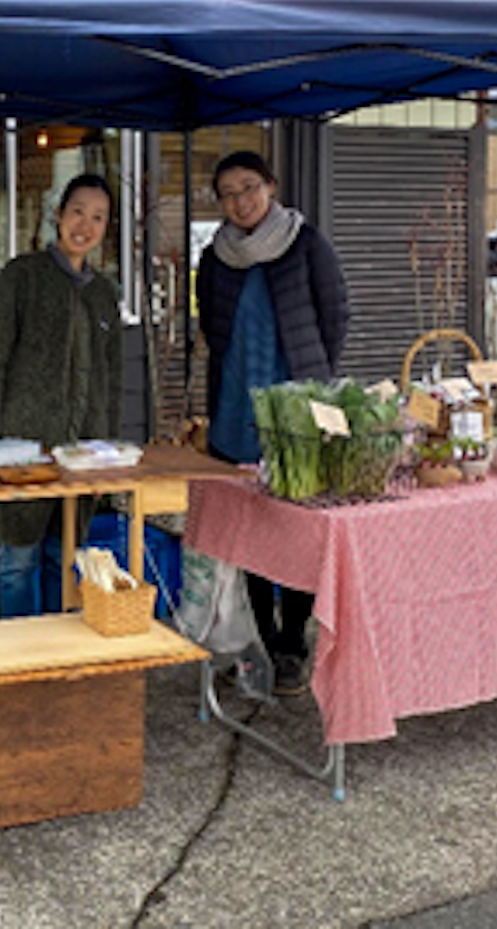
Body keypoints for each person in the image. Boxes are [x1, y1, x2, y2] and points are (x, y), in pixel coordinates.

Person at [196, 151, 349, 694]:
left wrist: (311, 384)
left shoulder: (306, 244)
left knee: (298, 530)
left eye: (249, 188)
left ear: (271, 186)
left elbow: (335, 317)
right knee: (251, 531)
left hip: (294, 416)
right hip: (237, 409)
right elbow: (212, 329)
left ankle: (293, 640)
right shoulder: (215, 257)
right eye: (229, 193)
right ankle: (261, 640)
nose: (241, 201)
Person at [0, 172, 124, 618]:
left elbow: (111, 377)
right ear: (57, 214)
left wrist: (108, 445)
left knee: (66, 554)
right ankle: (19, 658)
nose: (85, 225)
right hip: (20, 448)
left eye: (98, 217)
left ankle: (54, 653)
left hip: (82, 451)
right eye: (77, 212)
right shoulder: (23, 277)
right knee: (18, 561)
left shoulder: (104, 293)